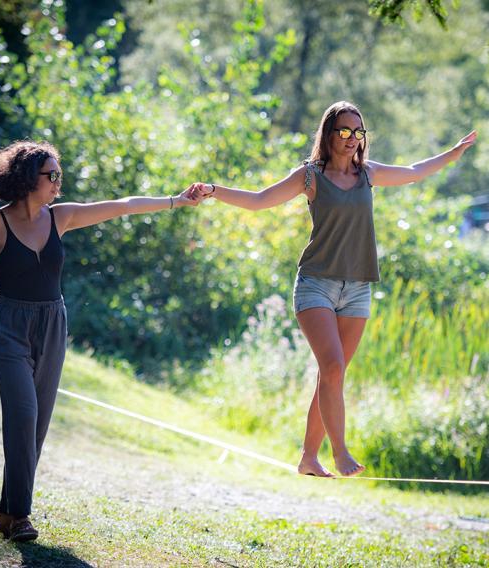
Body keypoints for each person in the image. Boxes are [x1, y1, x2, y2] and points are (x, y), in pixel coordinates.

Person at [189, 101, 476, 478]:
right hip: (316, 285)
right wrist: (213, 190)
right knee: (333, 366)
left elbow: (413, 172)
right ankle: (340, 452)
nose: (352, 139)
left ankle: (309, 458)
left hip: (357, 289)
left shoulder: (368, 174)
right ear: (328, 134)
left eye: (358, 133)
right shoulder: (310, 176)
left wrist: (453, 154)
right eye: (344, 131)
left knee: (332, 375)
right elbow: (260, 200)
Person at [0, 139, 199, 541]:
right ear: (27, 177)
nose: (59, 183)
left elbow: (124, 205)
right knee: (23, 414)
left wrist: (176, 201)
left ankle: (7, 514)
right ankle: (21, 516)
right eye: (52, 175)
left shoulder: (60, 217)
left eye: (60, 175)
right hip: (9, 325)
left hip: (53, 324)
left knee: (36, 424)